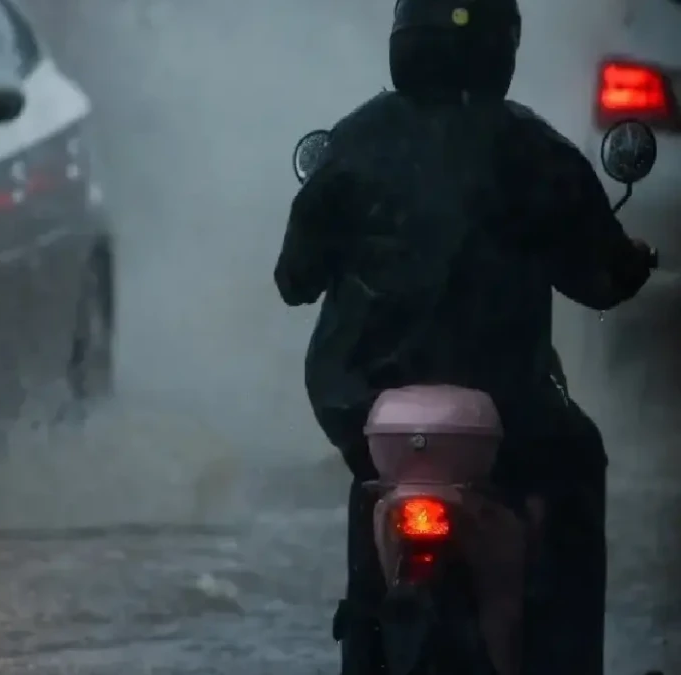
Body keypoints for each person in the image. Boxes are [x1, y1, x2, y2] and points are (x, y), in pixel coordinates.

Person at [272, 0, 657, 673]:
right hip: (512, 410)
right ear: (502, 46)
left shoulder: (353, 143)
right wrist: (633, 261)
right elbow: (600, 276)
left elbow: (292, 279)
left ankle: (365, 638)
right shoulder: (533, 148)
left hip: (364, 407)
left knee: (371, 487)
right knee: (580, 458)